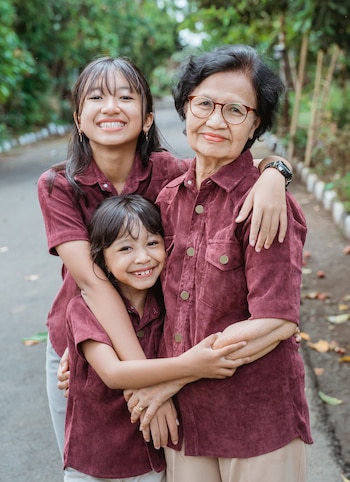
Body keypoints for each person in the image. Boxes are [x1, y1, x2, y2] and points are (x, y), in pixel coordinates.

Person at [37, 55, 293, 457]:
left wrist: (276, 173)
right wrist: (142, 377)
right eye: (96, 97)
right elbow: (92, 281)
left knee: (155, 465)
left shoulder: (168, 173)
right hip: (87, 348)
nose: (110, 107)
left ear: (148, 118)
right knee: (90, 461)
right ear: (77, 117)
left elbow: (225, 161)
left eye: (125, 96)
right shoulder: (58, 185)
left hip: (151, 343)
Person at [128, 45, 313, 482]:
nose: (215, 120)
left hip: (256, 419)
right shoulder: (168, 197)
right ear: (185, 107)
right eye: (205, 103)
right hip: (186, 423)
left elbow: (276, 320)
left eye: (235, 110)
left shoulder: (266, 203)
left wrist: (169, 380)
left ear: (256, 124)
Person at [64, 194, 248, 481]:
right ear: (101, 259)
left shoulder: (168, 300)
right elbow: (113, 373)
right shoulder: (84, 308)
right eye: (125, 248)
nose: (143, 257)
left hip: (153, 458)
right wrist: (193, 365)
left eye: (152, 243)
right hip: (96, 463)